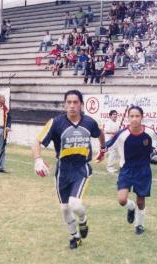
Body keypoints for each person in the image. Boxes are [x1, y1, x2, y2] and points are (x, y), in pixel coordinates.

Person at [32, 90, 106, 249]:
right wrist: (38, 160)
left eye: (75, 102)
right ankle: (75, 236)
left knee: (75, 204)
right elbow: (37, 142)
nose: (72, 106)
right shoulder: (56, 123)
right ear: (65, 104)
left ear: (81, 104)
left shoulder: (89, 122)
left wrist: (103, 148)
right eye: (69, 102)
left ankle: (83, 220)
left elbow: (100, 133)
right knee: (65, 208)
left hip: (81, 168)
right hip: (63, 170)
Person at [105, 106, 157, 235]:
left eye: (137, 116)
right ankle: (131, 208)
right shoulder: (122, 134)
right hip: (126, 170)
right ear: (128, 118)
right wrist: (99, 152)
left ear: (142, 117)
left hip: (143, 170)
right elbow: (106, 145)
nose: (134, 119)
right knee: (122, 200)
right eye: (132, 116)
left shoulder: (149, 132)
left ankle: (139, 225)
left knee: (141, 200)